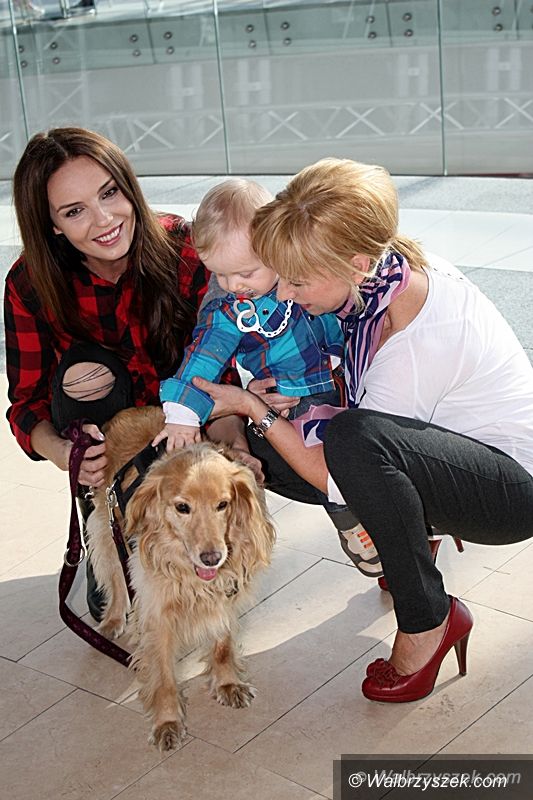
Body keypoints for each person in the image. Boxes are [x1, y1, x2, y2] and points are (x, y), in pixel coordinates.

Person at [191, 157, 533, 704]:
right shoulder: (383, 278)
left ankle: (429, 620)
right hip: (452, 448)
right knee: (268, 448)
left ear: (353, 264)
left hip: (511, 492)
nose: (284, 295)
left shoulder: (412, 334)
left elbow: (339, 473)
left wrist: (256, 407)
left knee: (348, 440)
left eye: (297, 280)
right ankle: (411, 532)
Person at [3, 127, 256, 619]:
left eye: (109, 193)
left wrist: (233, 437)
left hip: (189, 431)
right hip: (107, 440)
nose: (103, 220)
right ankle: (104, 510)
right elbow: (27, 403)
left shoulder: (187, 250)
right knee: (86, 372)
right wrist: (66, 455)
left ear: (128, 186)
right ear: (51, 225)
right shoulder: (30, 283)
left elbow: (221, 360)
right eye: (74, 211)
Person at [153, 178, 383, 578]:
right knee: (329, 454)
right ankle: (348, 517)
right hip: (294, 398)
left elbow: (341, 316)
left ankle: (406, 513)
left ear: (275, 251)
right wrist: (183, 413)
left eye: (245, 272)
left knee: (376, 446)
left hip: (349, 377)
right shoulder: (230, 311)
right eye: (219, 275)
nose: (233, 286)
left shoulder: (303, 275)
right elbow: (203, 357)